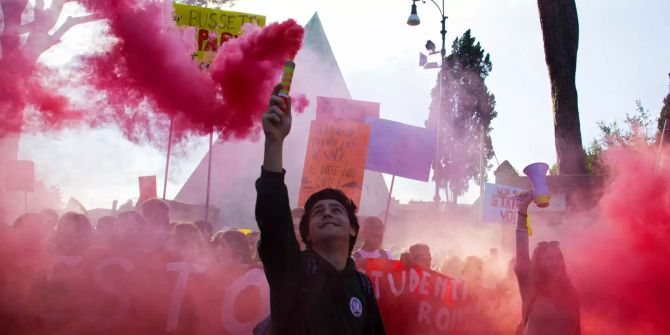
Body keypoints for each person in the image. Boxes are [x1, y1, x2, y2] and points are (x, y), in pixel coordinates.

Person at [255, 85, 386, 334]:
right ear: (307, 234)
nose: (327, 213)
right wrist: (274, 142)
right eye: (317, 212)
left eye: (337, 210)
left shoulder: (363, 286)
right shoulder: (292, 268)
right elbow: (273, 217)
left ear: (352, 229)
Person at [515, 192, 580, 335]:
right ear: (538, 264)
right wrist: (523, 208)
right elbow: (522, 252)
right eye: (549, 259)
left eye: (558, 258)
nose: (555, 262)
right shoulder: (530, 288)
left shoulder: (571, 293)